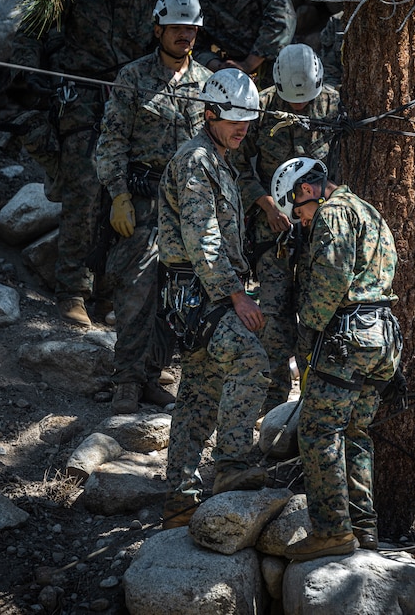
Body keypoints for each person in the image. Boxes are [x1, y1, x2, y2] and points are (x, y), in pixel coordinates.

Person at [269, 157, 402, 559]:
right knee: (354, 433)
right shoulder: (368, 211)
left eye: (299, 214)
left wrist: (306, 338)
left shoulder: (335, 215)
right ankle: (363, 526)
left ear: (306, 191)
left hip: (348, 339)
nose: (302, 223)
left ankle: (331, 530)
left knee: (318, 431)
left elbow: (329, 283)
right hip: (382, 338)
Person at [158, 68, 271, 528]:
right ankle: (229, 466)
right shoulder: (198, 160)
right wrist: (236, 296)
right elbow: (202, 236)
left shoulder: (219, 158)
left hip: (195, 294)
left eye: (248, 117)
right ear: (209, 113)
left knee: (200, 390)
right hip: (202, 293)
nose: (242, 126)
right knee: (251, 361)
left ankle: (179, 497)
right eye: (233, 118)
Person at [39, 0, 163, 327]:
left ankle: (108, 292)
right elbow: (36, 29)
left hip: (131, 99)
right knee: (85, 187)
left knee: (125, 190)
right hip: (82, 98)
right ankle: (72, 288)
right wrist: (48, 71)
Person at [95, 0, 211, 413]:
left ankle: (151, 374)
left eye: (192, 28)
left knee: (176, 291)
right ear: (158, 28)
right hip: (143, 201)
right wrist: (118, 195)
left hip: (190, 203)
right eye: (177, 27)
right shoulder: (133, 76)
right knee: (137, 289)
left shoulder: (207, 83)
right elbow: (111, 142)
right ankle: (126, 378)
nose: (185, 35)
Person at [232, 44, 343, 414]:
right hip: (272, 228)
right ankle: (274, 394)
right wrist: (265, 204)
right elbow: (238, 164)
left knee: (317, 307)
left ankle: (316, 390)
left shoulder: (334, 105)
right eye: (291, 101)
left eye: (304, 101)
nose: (298, 106)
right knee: (275, 311)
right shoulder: (259, 108)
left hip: (320, 228)